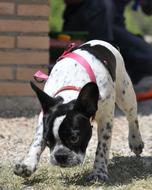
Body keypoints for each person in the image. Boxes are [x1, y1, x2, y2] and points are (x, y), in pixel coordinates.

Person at [62, 0, 152, 84]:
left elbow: (147, 9)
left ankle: (119, 85)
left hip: (114, 30)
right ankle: (100, 79)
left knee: (148, 58)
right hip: (84, 22)